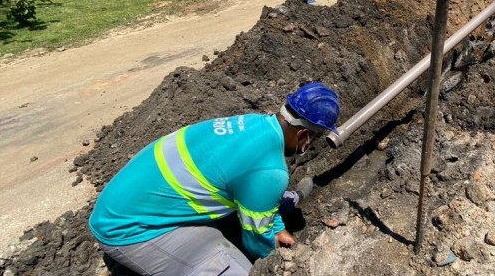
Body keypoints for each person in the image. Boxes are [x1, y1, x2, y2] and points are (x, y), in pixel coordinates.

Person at [88, 82, 341, 275]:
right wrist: (278, 260)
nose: (310, 145)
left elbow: (253, 190)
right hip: (131, 230)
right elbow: (256, 243)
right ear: (303, 135)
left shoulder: (253, 123)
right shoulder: (269, 171)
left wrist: (275, 226)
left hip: (124, 201)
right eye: (314, 139)